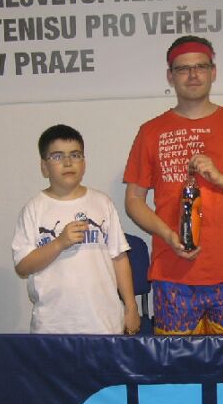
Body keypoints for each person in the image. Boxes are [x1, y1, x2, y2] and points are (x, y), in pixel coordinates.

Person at [124, 35, 223, 335]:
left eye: (201, 66)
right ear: (170, 76)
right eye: (183, 68)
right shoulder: (151, 132)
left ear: (213, 72)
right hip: (172, 276)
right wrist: (168, 235)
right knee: (178, 362)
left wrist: (221, 178)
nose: (193, 75)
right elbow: (133, 201)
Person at [12, 124, 141, 335]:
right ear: (44, 167)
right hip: (52, 327)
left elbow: (119, 258)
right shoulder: (34, 209)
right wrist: (59, 243)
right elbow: (23, 267)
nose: (68, 162)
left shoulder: (102, 203)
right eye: (57, 156)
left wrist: (131, 306)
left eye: (75, 155)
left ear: (84, 163)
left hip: (104, 324)